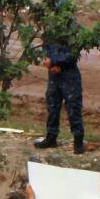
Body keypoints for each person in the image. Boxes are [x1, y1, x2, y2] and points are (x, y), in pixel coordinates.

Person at [34, 24, 86, 154]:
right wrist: (50, 64)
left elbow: (73, 56)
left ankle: (78, 141)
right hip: (54, 75)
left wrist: (54, 63)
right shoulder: (50, 30)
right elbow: (45, 49)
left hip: (69, 75)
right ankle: (51, 138)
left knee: (73, 108)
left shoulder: (72, 31)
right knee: (52, 107)